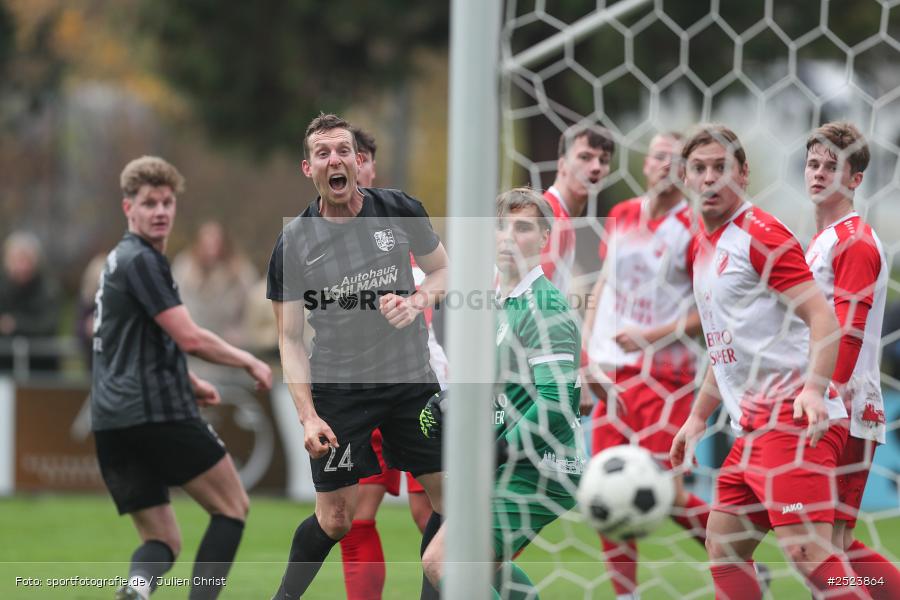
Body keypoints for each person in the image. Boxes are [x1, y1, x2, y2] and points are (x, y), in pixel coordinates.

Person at [670, 125, 866, 599]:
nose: (710, 178)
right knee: (724, 546)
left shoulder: (760, 233)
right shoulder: (701, 245)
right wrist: (697, 418)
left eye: (721, 167)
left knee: (810, 557)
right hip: (753, 426)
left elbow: (823, 316)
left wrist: (815, 389)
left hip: (794, 420)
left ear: (743, 173)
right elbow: (724, 345)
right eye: (700, 168)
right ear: (685, 177)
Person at [267, 113, 448, 599]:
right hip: (340, 389)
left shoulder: (399, 210)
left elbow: (444, 273)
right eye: (323, 153)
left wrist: (415, 301)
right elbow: (289, 340)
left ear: (357, 159)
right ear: (309, 168)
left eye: (343, 150)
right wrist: (307, 417)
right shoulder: (294, 242)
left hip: (409, 380)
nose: (335, 160)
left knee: (450, 503)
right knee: (337, 519)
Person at [91, 156, 273, 600]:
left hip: (111, 423)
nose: (160, 211)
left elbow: (133, 343)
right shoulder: (143, 261)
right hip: (156, 413)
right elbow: (189, 338)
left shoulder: (119, 261)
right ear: (127, 208)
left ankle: (134, 592)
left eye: (167, 202)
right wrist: (247, 360)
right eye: (149, 202)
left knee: (162, 542)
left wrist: (190, 383)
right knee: (232, 507)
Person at [421, 187, 584, 599]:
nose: (508, 237)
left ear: (545, 238)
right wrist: (448, 403)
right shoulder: (499, 301)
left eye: (524, 227)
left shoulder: (546, 307)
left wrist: (503, 449)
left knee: (444, 563)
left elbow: (561, 403)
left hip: (542, 467)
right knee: (482, 570)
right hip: (513, 464)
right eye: (500, 227)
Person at [582, 132, 709, 599]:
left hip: (665, 378)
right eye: (658, 156)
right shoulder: (621, 216)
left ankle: (738, 556)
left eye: (677, 160)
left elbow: (708, 307)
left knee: (668, 494)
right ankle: (626, 594)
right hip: (612, 373)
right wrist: (586, 347)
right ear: (646, 164)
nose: (665, 165)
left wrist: (650, 336)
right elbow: (604, 286)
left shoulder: (693, 227)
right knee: (607, 485)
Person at [338, 126, 443, 599]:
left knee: (433, 513)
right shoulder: (322, 236)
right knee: (356, 517)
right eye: (339, 156)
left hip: (421, 384)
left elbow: (445, 277)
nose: (350, 165)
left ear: (370, 167)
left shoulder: (402, 223)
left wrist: (416, 301)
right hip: (362, 390)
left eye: (358, 157)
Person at [803, 121, 899, 598]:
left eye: (832, 167)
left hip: (844, 408)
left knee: (824, 548)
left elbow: (850, 328)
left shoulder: (855, 242)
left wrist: (824, 391)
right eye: (813, 164)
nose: (819, 174)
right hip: (835, 405)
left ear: (855, 179)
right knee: (830, 546)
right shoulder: (825, 239)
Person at [541, 124, 615, 294]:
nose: (596, 167)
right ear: (562, 165)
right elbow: (532, 300)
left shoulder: (562, 217)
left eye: (603, 160)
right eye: (585, 157)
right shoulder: (551, 216)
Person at [0, 231, 61, 373]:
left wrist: (15, 324)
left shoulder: (48, 289)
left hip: (42, 371)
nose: (21, 266)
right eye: (16, 259)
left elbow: (49, 325)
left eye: (26, 259)